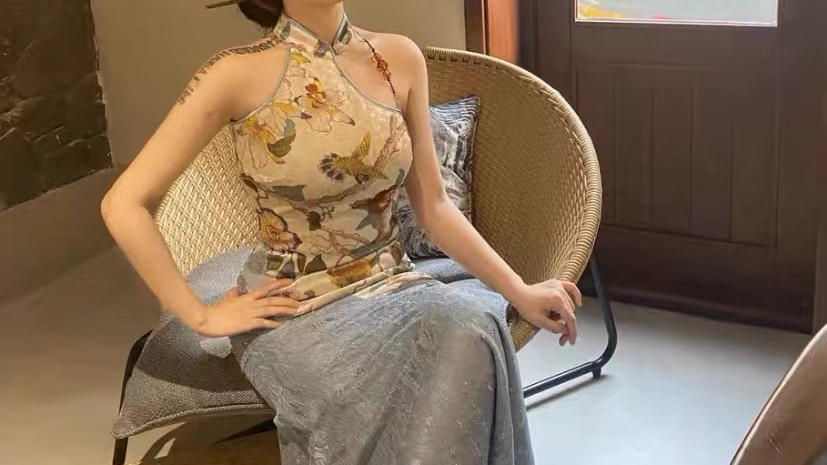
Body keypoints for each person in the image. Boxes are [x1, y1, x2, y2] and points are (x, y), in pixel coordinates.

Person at [101, 0, 582, 463]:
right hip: (293, 309)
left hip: (392, 283)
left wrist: (519, 291)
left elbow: (435, 209)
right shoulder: (232, 73)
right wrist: (201, 317)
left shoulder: (400, 59)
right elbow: (122, 204)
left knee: (472, 330)